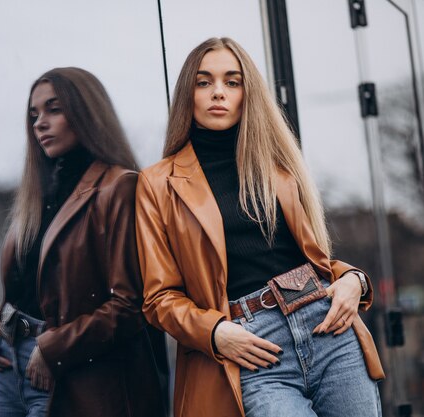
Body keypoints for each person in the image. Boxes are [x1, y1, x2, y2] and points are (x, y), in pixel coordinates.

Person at [135, 37, 385, 417]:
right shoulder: (157, 182)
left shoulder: (278, 165)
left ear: (246, 92)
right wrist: (215, 333)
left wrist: (355, 280)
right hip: (252, 346)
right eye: (204, 82)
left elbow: (314, 261)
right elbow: (158, 298)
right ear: (188, 92)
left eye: (232, 82)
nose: (218, 92)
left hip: (328, 328)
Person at [0, 67, 167, 417]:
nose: (39, 123)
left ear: (86, 113)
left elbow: (130, 306)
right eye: (34, 115)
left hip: (74, 376)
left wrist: (55, 347)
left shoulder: (119, 188)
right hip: (10, 369)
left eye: (54, 109)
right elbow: (40, 288)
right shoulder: (38, 197)